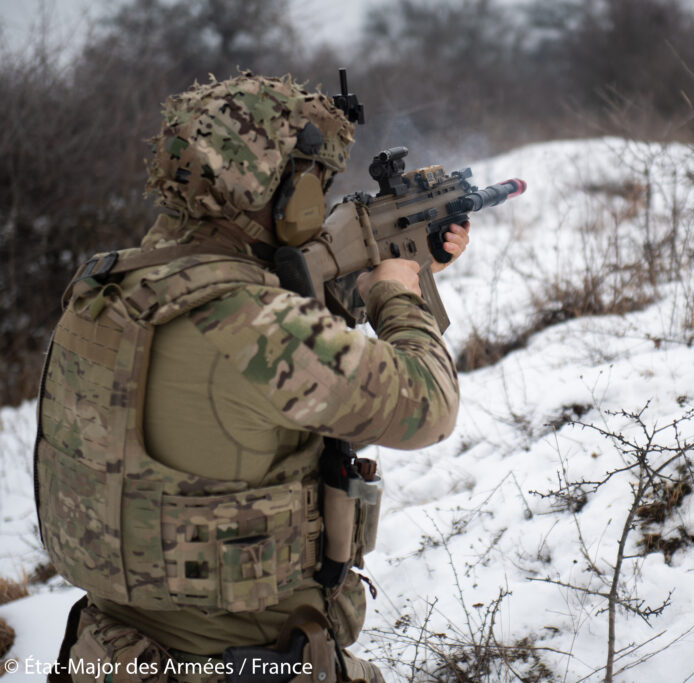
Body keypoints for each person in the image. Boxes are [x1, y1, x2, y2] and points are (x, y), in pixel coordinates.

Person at [34, 72, 468, 683]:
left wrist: (380, 264)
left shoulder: (107, 292)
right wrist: (398, 294)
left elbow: (261, 380)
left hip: (111, 653)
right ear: (282, 189)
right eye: (316, 180)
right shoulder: (250, 325)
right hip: (253, 664)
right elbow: (428, 405)